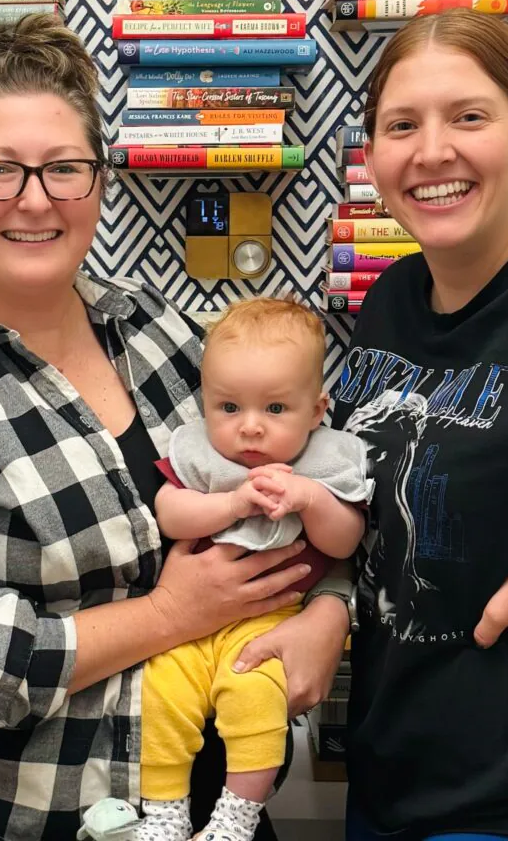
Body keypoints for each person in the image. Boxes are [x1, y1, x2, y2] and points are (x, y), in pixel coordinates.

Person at [0, 14, 355, 841]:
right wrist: (168, 617)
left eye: (65, 170)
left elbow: (306, 485)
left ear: (99, 184)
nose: (34, 199)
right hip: (7, 817)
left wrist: (328, 611)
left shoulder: (162, 334)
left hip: (211, 803)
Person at [325, 9, 508, 840]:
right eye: (403, 125)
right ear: (374, 160)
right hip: (388, 771)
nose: (432, 151)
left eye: (469, 117)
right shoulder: (390, 299)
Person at [137, 297, 368, 841]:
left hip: (271, 619)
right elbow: (170, 512)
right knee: (160, 694)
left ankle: (235, 817)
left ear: (316, 410)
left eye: (276, 409)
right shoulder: (202, 454)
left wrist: (311, 499)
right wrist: (232, 504)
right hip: (186, 625)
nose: (250, 429)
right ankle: (165, 811)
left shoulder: (325, 459)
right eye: (229, 408)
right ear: (205, 403)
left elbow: (346, 541)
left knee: (256, 697)